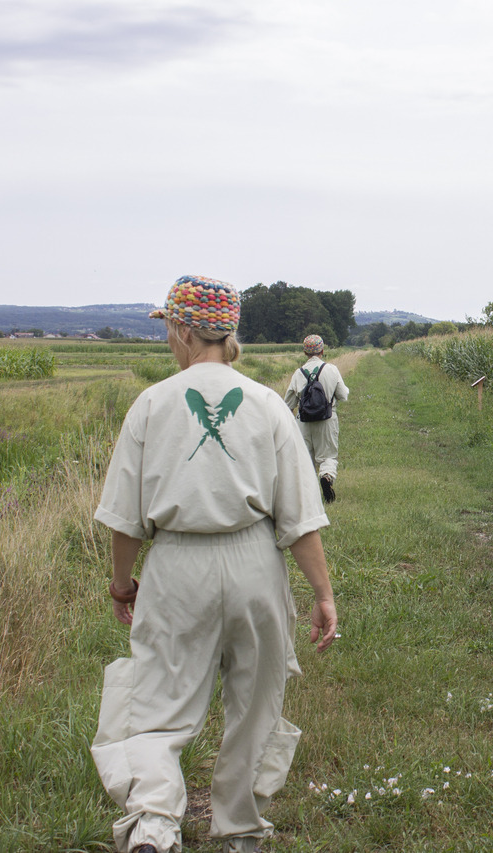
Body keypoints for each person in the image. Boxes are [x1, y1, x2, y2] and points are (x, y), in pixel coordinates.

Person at [90, 275, 338, 853]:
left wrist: (123, 584)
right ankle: (240, 831)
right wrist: (322, 593)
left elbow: (126, 520)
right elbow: (300, 518)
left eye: (167, 331)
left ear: (180, 329)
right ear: (229, 333)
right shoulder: (267, 405)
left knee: (156, 700)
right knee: (255, 705)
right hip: (255, 559)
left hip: (176, 563)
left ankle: (153, 822)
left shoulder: (150, 405)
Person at [284, 334, 350, 504]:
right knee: (328, 455)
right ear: (322, 350)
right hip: (327, 419)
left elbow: (288, 403)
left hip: (303, 421)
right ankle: (327, 476)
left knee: (306, 458)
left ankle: (308, 496)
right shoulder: (331, 369)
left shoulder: (298, 374)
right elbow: (343, 395)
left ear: (305, 352)